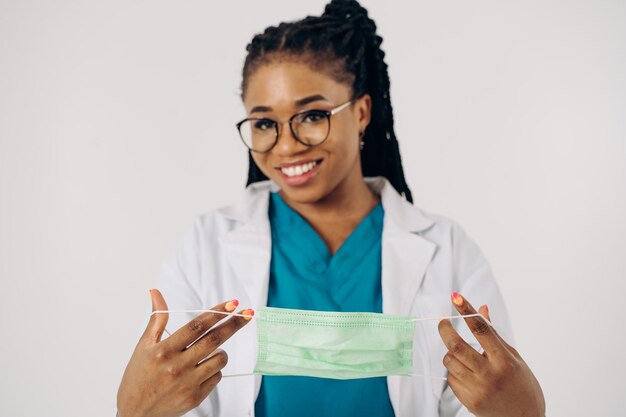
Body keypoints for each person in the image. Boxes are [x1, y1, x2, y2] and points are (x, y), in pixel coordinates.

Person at [117, 1, 545, 416]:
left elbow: (487, 398)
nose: (286, 146)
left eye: (312, 116)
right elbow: (172, 397)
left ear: (361, 112)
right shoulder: (205, 245)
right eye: (265, 123)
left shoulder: (447, 248)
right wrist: (136, 410)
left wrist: (521, 413)